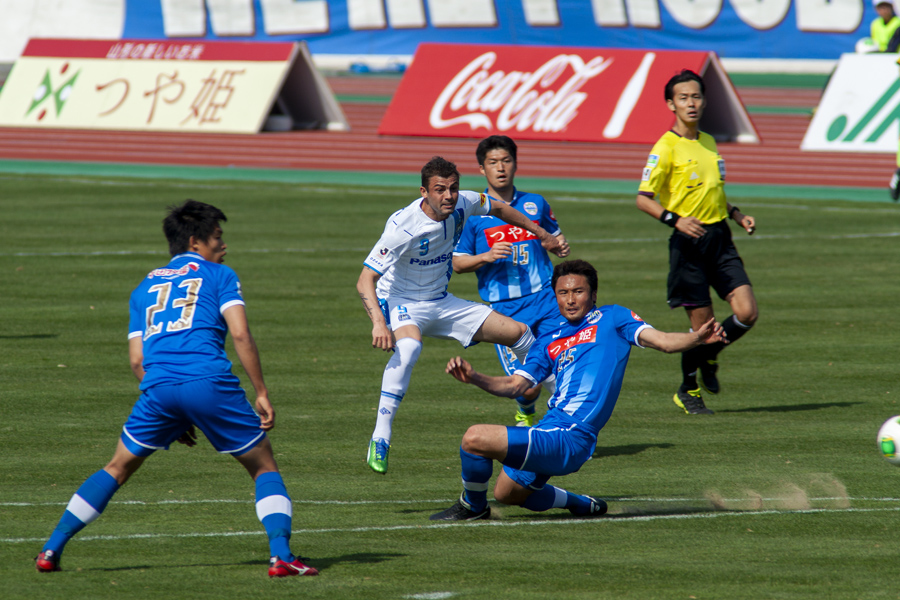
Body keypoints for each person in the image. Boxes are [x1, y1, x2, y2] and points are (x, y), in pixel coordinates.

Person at [34, 200, 318, 578]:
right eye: (217, 237)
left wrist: (174, 410)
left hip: (158, 388)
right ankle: (281, 556)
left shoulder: (143, 287)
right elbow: (240, 333)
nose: (224, 245)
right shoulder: (220, 275)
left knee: (117, 467)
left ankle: (52, 548)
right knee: (263, 467)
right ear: (195, 241)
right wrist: (261, 391)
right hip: (208, 381)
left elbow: (137, 360)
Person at [430, 259, 725, 521]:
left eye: (578, 292)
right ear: (555, 296)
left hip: (572, 435)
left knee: (474, 438)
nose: (570, 299)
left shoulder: (613, 318)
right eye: (563, 293)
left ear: (593, 295)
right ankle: (583, 504)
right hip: (550, 427)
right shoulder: (547, 340)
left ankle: (472, 507)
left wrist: (697, 338)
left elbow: (661, 341)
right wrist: (475, 378)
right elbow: (516, 385)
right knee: (508, 494)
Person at [357, 156, 568, 475]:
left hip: (441, 301)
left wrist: (542, 234)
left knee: (520, 333)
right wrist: (377, 323)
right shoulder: (403, 227)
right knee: (410, 347)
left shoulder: (465, 202)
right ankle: (381, 437)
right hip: (401, 302)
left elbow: (498, 207)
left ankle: (563, 408)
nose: (448, 196)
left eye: (453, 188)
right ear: (424, 192)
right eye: (439, 189)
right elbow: (364, 279)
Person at [635, 69, 758, 416]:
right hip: (689, 245)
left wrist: (736, 214)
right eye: (683, 97)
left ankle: (711, 355)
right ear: (670, 104)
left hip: (721, 237)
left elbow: (713, 192)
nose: (691, 102)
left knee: (747, 312)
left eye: (697, 96)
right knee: (703, 330)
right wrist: (675, 220)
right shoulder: (665, 147)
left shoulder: (708, 141)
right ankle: (688, 389)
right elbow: (643, 198)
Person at [453, 135, 568, 428]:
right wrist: (486, 257)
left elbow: (554, 237)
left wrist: (559, 245)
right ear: (482, 169)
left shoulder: (536, 204)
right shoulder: (473, 215)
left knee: (563, 368)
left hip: (546, 300)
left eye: (506, 160)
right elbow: (457, 263)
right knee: (529, 385)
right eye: (493, 162)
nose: (500, 168)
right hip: (505, 312)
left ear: (515, 164)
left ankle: (570, 429)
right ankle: (526, 410)